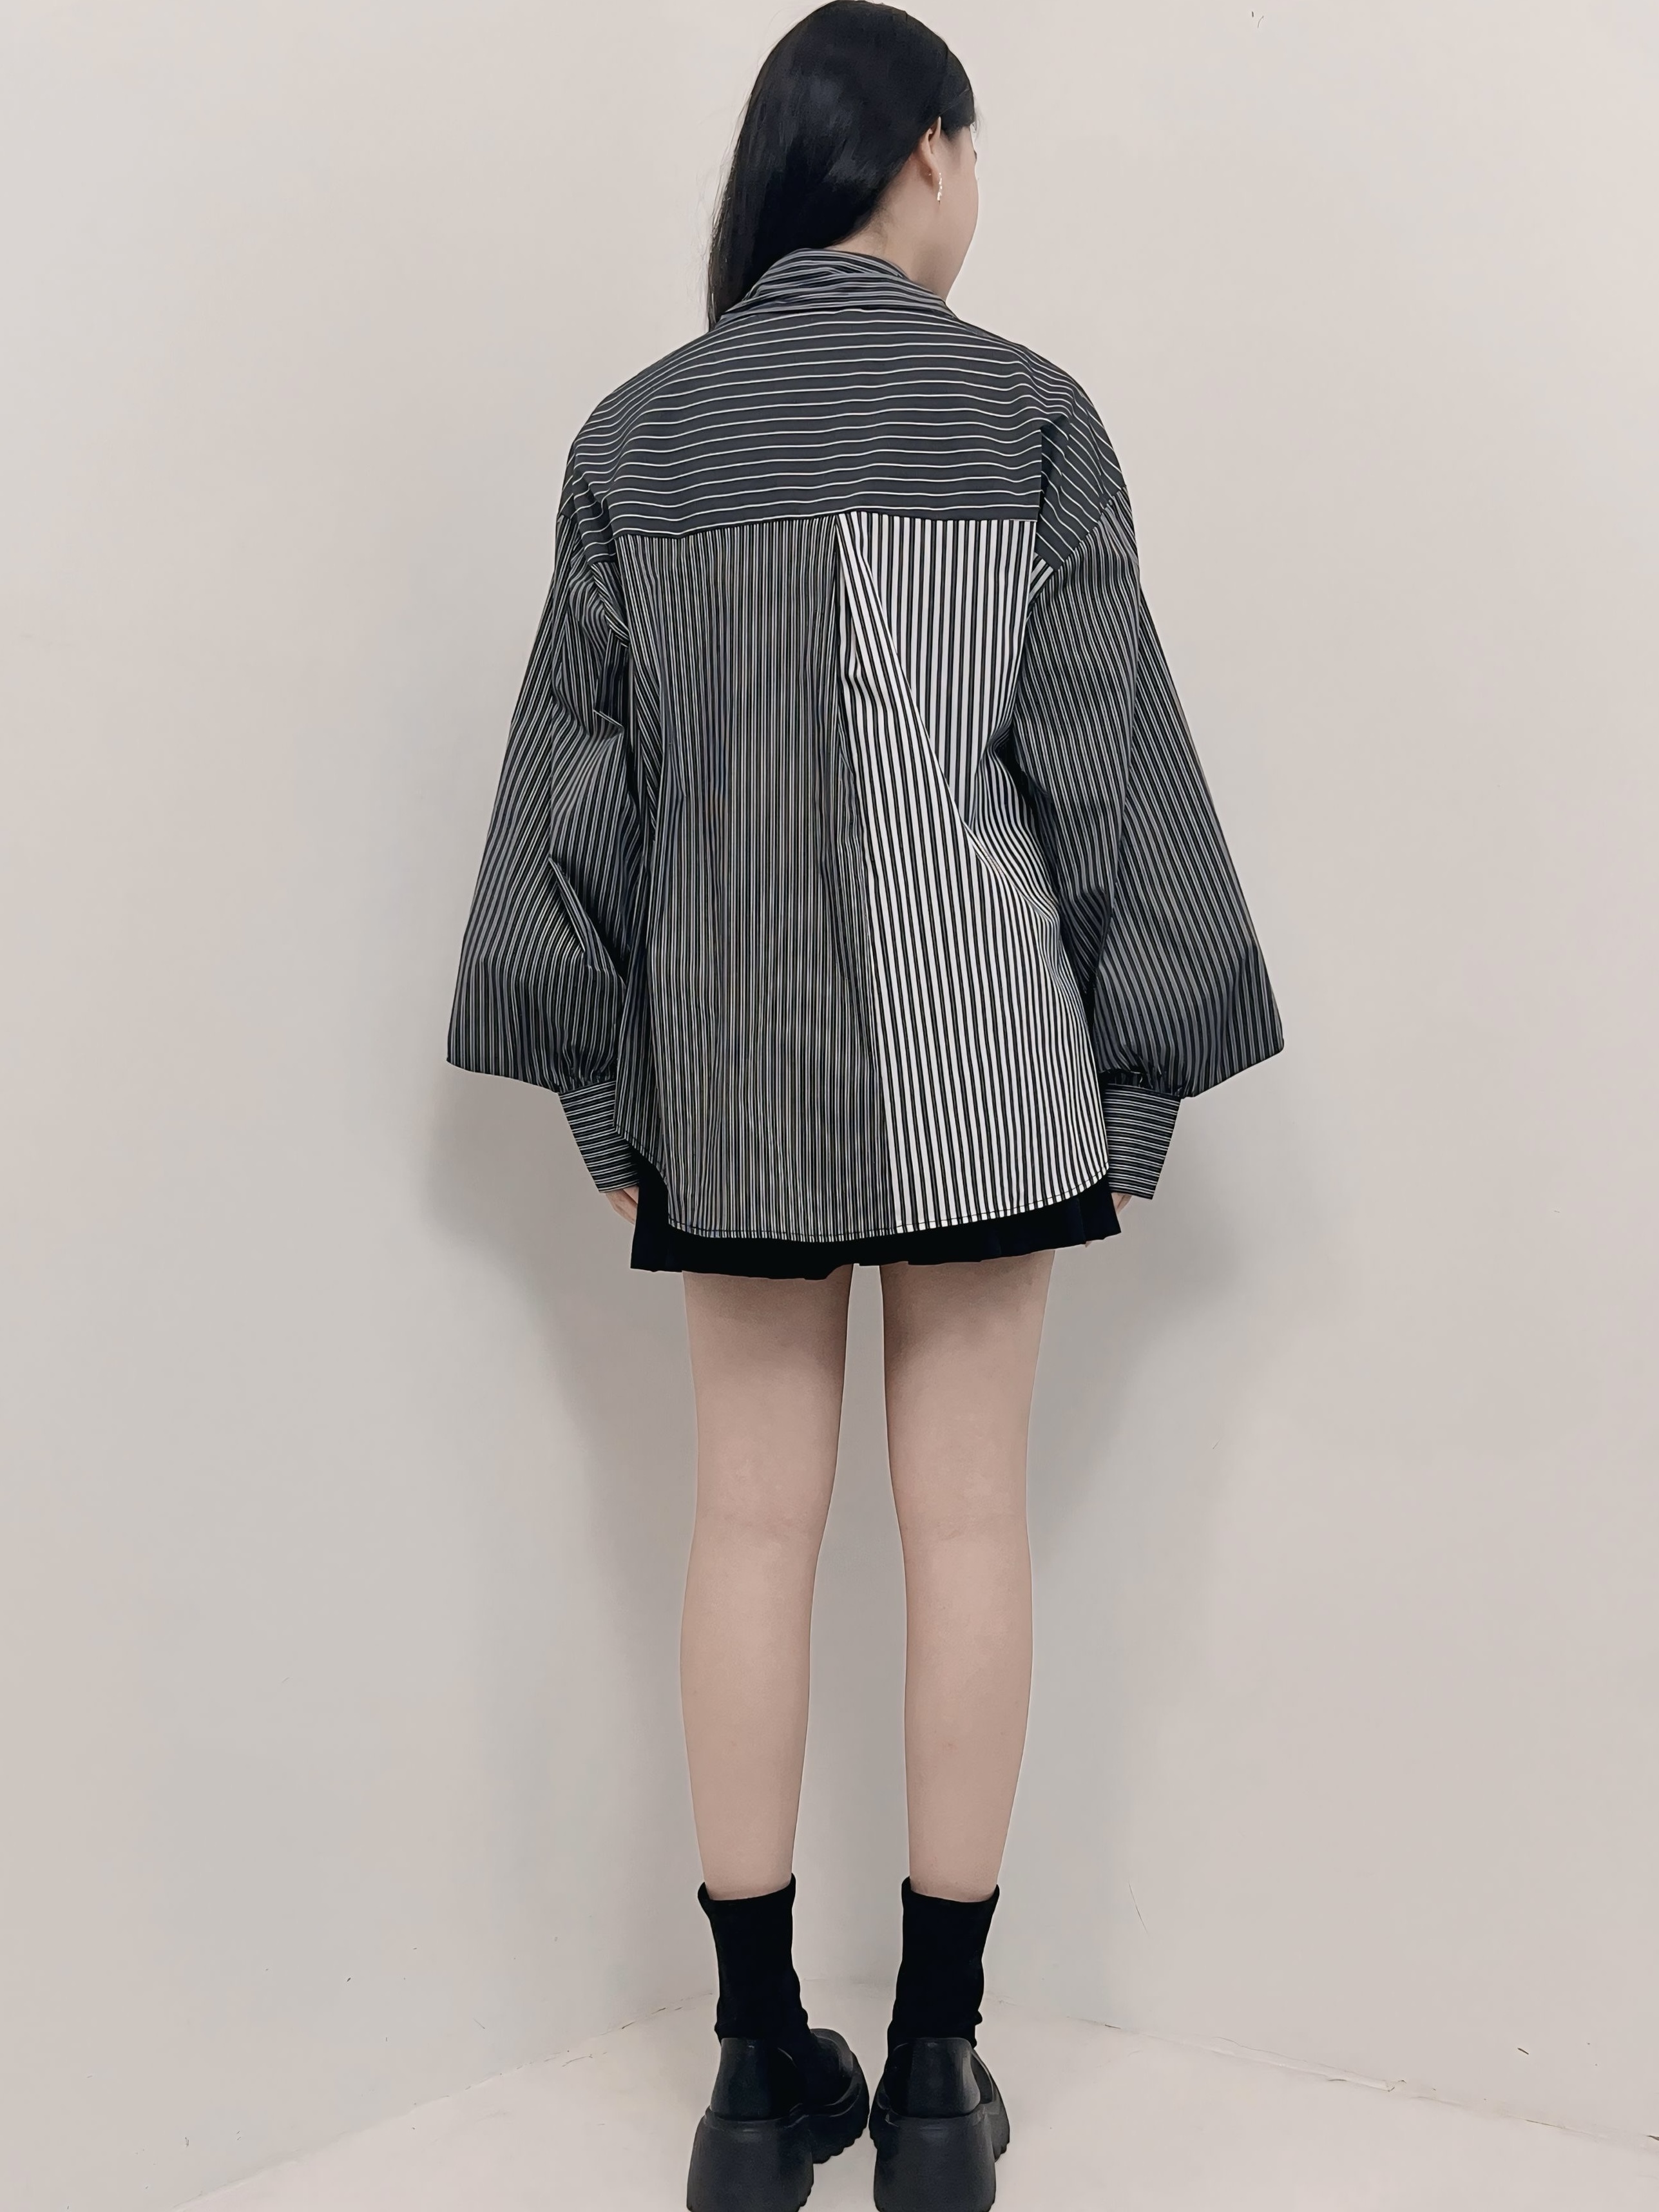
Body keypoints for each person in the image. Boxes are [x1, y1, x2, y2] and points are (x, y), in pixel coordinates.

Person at [446, 5, 1283, 2205]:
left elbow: (571, 806)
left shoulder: (636, 439)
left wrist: (606, 1098)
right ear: (923, 151)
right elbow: (1104, 772)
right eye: (974, 157)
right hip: (985, 1066)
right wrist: (1132, 1082)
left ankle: (749, 2077)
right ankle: (930, 2077)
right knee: (969, 1526)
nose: (976, 197)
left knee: (745, 1525)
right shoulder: (1028, 415)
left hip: (731, 1076)